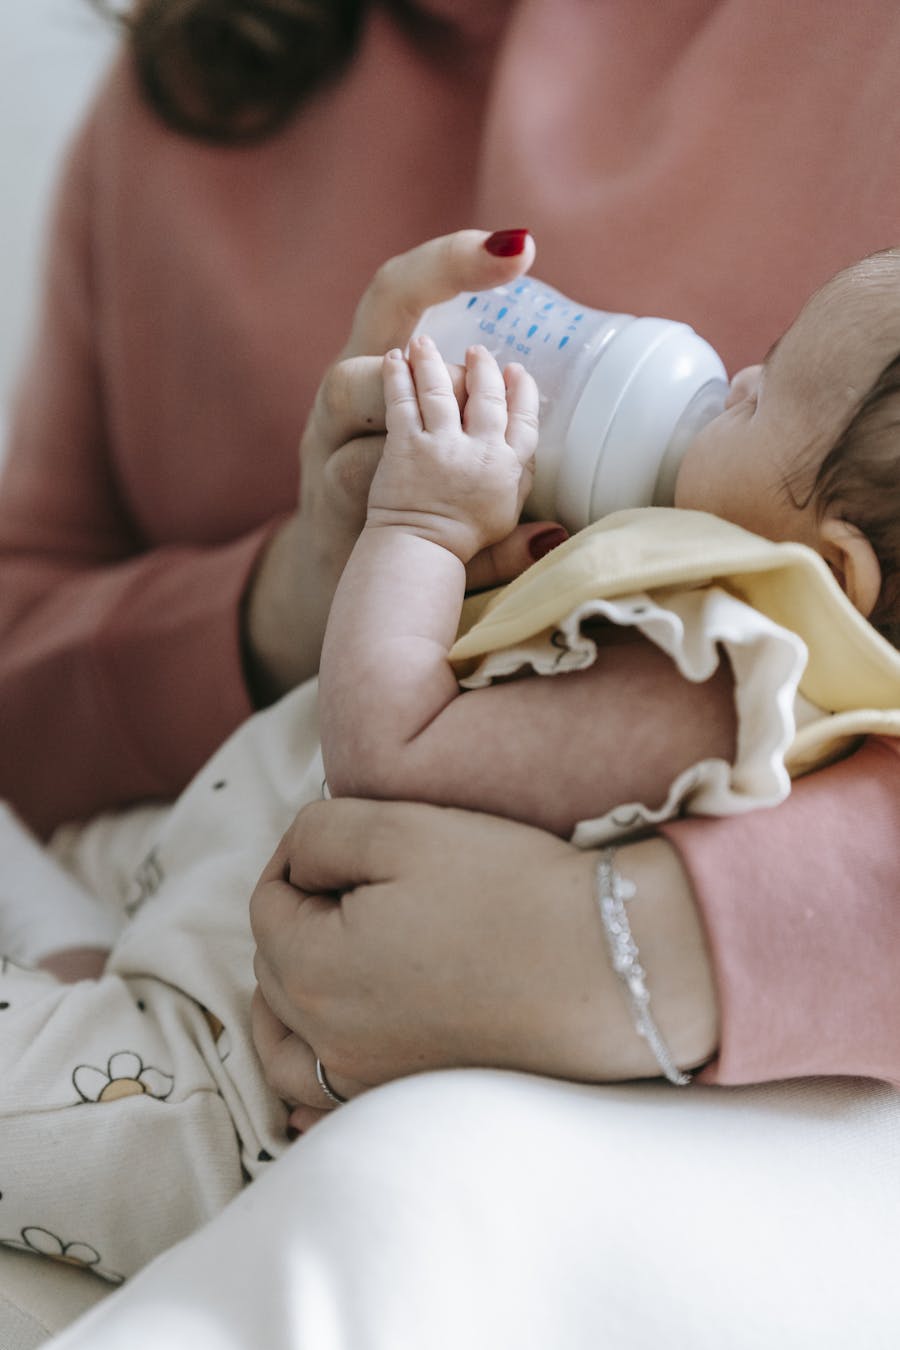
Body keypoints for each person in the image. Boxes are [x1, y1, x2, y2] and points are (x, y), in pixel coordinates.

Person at [1, 0, 900, 1342]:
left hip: (296, 1068)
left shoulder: (716, 649)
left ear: (831, 576)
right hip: (211, 870)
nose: (733, 368)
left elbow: (395, 749)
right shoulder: (199, 81)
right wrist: (295, 593)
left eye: (761, 393)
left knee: (395, 1204)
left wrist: (662, 946)